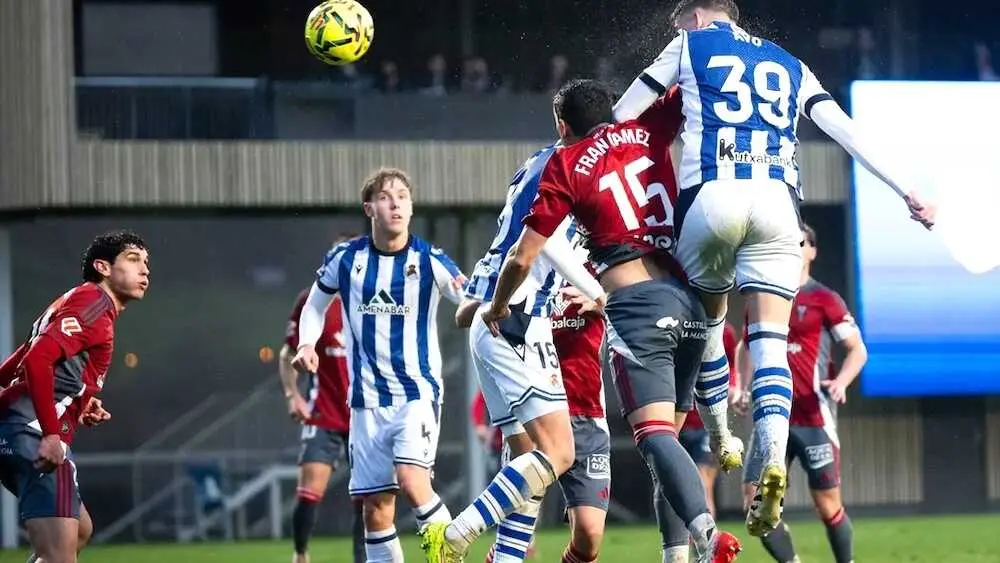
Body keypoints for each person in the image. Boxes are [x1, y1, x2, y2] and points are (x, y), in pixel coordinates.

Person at [612, 0, 935, 536]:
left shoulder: (688, 44)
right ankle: (770, 458)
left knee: (708, 323)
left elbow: (623, 117)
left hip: (712, 196)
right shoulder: (790, 61)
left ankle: (719, 432)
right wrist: (909, 191)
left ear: (694, 14)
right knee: (768, 341)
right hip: (777, 205)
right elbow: (847, 132)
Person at [432, 79, 742, 563]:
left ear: (562, 125)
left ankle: (699, 531)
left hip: (628, 312)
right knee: (595, 450)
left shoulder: (569, 167)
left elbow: (527, 250)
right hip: (682, 297)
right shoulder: (642, 133)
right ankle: (463, 539)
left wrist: (582, 293)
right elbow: (692, 82)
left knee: (651, 443)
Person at [421, 129, 607, 563]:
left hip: (492, 319)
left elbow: (508, 240)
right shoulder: (569, 168)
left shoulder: (533, 164)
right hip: (518, 318)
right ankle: (455, 533)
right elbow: (549, 244)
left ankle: (503, 558)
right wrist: (597, 292)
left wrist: (474, 299)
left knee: (527, 461)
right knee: (558, 453)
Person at [292, 168, 466, 563]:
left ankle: (450, 554)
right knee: (375, 508)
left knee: (411, 479)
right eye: (387, 197)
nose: (396, 204)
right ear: (369, 207)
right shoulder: (346, 259)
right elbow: (315, 306)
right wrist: (306, 343)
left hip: (415, 394)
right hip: (366, 403)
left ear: (412, 206)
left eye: (403, 197)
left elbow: (467, 295)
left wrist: (485, 308)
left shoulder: (428, 259)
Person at [0, 230, 149, 563]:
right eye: (133, 259)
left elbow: (20, 362)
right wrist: (52, 432)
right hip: (34, 434)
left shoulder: (73, 300)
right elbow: (37, 361)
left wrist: (80, 401)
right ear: (103, 267)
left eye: (146, 263)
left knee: (80, 530)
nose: (145, 271)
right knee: (59, 556)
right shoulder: (94, 302)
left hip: (16, 429)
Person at [738, 224, 866, 563]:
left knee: (827, 504)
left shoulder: (825, 299)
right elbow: (745, 346)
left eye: (801, 242)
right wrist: (740, 384)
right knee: (755, 501)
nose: (794, 248)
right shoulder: (762, 297)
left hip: (813, 417)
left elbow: (857, 350)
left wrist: (841, 382)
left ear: (812, 251)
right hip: (772, 415)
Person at [280, 236, 364, 563]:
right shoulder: (311, 301)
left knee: (368, 499)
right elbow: (289, 352)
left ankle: (365, 559)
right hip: (324, 414)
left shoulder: (374, 300)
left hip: (365, 416)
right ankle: (300, 555)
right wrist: (293, 395)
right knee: (309, 493)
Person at [679, 321, 742, 518]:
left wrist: (733, 387)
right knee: (679, 483)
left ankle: (705, 543)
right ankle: (683, 541)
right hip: (678, 417)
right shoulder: (676, 322)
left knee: (703, 481)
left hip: (708, 421)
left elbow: (732, 364)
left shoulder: (725, 331)